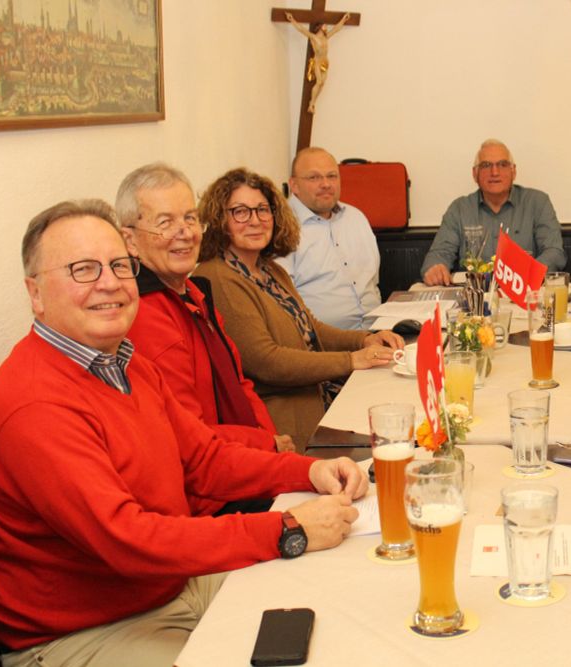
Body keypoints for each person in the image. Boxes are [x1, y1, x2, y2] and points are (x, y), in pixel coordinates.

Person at [0, 200, 368, 666]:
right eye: (83, 270)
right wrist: (286, 528)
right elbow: (126, 540)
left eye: (118, 266)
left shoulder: (126, 363)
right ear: (36, 292)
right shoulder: (34, 403)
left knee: (338, 608)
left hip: (167, 585)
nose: (109, 283)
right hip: (79, 630)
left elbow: (204, 461)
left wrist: (310, 471)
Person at [117, 162, 297, 517]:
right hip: (205, 499)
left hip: (242, 465)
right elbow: (187, 438)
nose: (184, 233)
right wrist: (266, 444)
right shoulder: (147, 314)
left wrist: (270, 445)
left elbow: (241, 383)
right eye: (165, 222)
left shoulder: (193, 292)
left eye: (188, 218)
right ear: (129, 241)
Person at [193, 168, 403, 450]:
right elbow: (267, 362)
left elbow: (311, 328)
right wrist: (351, 359)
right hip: (284, 425)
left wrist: (364, 339)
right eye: (240, 212)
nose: (255, 221)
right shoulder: (218, 277)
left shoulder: (269, 269)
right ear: (220, 220)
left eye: (262, 210)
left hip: (318, 397)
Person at [421, 139, 566, 285]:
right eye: (486, 165)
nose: (494, 172)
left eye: (502, 164)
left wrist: (527, 275)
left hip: (524, 295)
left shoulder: (538, 203)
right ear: (475, 174)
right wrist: (435, 269)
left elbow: (554, 252)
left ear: (513, 171)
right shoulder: (459, 209)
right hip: (474, 298)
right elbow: (438, 254)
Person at [277, 147, 381, 330]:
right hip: (323, 345)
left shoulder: (355, 218)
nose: (326, 184)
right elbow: (282, 302)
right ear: (293, 185)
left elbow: (373, 281)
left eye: (332, 176)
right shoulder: (280, 226)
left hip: (378, 331)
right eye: (314, 177)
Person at [285, 11, 350, 113]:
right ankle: (311, 105)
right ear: (320, 27)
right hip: (317, 62)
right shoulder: (314, 38)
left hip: (325, 62)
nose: (326, 27)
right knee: (319, 82)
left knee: (322, 83)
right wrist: (292, 19)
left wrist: (344, 19)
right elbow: (301, 30)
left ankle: (313, 102)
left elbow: (336, 29)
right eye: (325, 26)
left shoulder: (326, 37)